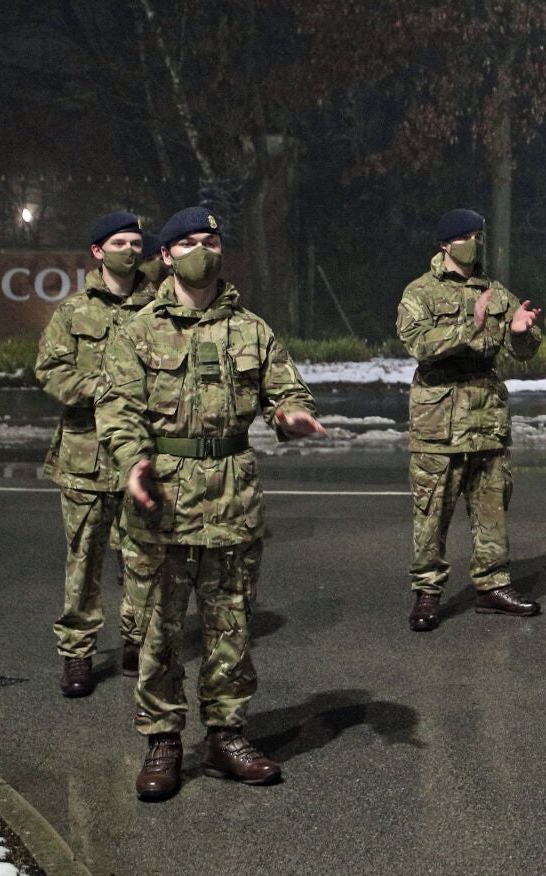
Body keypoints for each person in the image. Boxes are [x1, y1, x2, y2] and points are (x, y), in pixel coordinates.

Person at [98, 206, 328, 801]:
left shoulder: (251, 329)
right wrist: (134, 461)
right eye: (190, 242)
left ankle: (227, 735)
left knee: (231, 626)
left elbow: (285, 388)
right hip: (163, 502)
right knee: (159, 629)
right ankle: (163, 741)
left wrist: (291, 414)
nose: (203, 251)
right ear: (167, 255)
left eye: (212, 240)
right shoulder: (138, 331)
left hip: (232, 498)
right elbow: (117, 409)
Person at [397, 208, 543, 632]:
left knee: (492, 508)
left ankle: (492, 585)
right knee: (431, 514)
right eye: (465, 237)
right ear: (445, 244)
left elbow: (524, 349)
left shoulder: (494, 292)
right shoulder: (420, 291)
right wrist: (469, 327)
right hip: (438, 423)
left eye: (478, 236)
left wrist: (521, 333)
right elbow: (417, 343)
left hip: (486, 420)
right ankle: (427, 591)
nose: (473, 243)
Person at [36, 212, 157, 697]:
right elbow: (50, 370)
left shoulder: (159, 308)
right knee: (83, 561)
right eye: (119, 242)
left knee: (142, 558)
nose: (129, 250)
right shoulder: (73, 312)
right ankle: (78, 653)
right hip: (85, 456)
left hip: (141, 457)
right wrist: (102, 388)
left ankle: (135, 642)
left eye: (136, 243)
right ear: (97, 250)